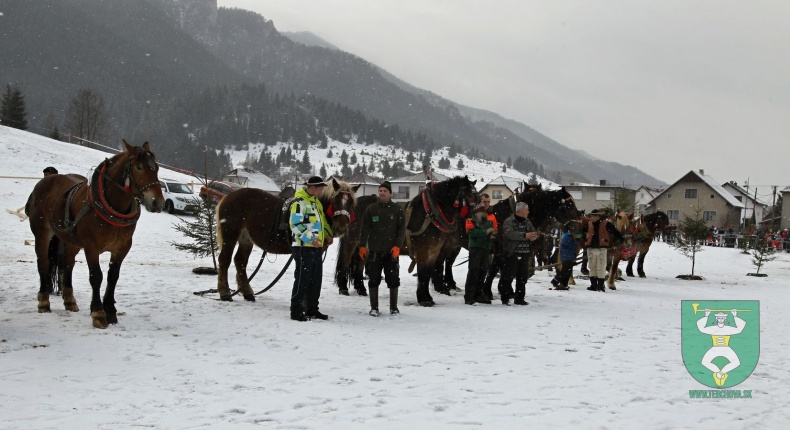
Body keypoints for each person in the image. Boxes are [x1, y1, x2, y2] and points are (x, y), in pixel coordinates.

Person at [289, 176, 333, 321]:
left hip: (316, 247)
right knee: (302, 279)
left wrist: (328, 234)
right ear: (312, 188)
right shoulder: (299, 203)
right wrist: (310, 239)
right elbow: (295, 225)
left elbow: (322, 223)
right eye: (320, 189)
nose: (321, 192)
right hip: (303, 248)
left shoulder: (316, 203)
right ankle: (296, 310)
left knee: (315, 280)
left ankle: (312, 309)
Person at [358, 181, 406, 316]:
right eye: (380, 191)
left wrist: (398, 246)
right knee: (373, 279)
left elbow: (401, 230)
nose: (382, 193)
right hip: (374, 251)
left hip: (391, 252)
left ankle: (393, 307)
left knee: (393, 279)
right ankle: (374, 308)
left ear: (390, 193)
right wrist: (362, 245)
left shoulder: (397, 210)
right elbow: (364, 229)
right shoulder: (371, 209)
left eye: (385, 191)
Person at [497, 202, 538, 305]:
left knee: (522, 277)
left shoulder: (527, 221)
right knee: (508, 276)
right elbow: (509, 234)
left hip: (525, 254)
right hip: (512, 253)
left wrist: (533, 236)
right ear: (521, 211)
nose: (528, 212)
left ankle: (519, 298)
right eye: (527, 210)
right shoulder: (509, 221)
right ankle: (505, 297)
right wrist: (524, 235)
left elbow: (533, 231)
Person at [463, 193, 498, 305]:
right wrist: (485, 232)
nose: (487, 204)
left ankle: (479, 294)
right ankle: (469, 296)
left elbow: (495, 229)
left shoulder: (492, 216)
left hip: (487, 247)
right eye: (484, 201)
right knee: (474, 270)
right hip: (476, 246)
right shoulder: (473, 214)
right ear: (480, 202)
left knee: (483, 271)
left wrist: (493, 234)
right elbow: (470, 231)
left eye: (488, 201)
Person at [582, 209, 623, 292]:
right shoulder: (587, 225)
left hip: (602, 249)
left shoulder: (606, 224)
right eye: (591, 216)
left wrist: (621, 239)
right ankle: (593, 285)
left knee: (601, 268)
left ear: (598, 216)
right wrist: (583, 239)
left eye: (594, 216)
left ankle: (600, 286)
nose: (592, 217)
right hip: (591, 249)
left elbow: (615, 232)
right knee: (592, 267)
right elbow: (581, 233)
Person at [550, 221, 581, 290]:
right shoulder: (568, 238)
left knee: (568, 271)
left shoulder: (567, 235)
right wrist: (577, 240)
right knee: (566, 271)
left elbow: (578, 236)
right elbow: (572, 245)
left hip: (567, 255)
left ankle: (564, 284)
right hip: (567, 256)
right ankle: (555, 280)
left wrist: (579, 236)